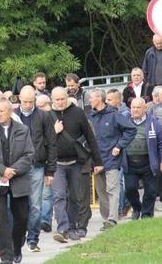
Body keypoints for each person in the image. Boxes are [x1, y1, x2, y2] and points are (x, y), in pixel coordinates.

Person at [0, 99, 34, 264]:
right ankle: (6, 256)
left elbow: (29, 154)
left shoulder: (23, 130)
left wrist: (12, 171)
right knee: (0, 220)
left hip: (18, 180)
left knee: (22, 217)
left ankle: (17, 247)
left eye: (2, 111)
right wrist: (2, 170)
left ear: (10, 111)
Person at [50, 87, 102, 243]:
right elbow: (41, 141)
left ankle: (72, 228)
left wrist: (97, 161)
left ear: (67, 97)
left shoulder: (78, 113)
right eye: (57, 99)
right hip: (57, 164)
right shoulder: (47, 116)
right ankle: (62, 228)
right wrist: (54, 131)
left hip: (76, 162)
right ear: (52, 99)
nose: (60, 102)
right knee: (59, 196)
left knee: (74, 197)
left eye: (62, 99)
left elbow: (90, 137)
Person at [13, 86, 56, 253]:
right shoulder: (13, 116)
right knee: (18, 204)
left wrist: (50, 170)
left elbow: (52, 144)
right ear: (19, 99)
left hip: (37, 165)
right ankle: (19, 236)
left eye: (31, 102)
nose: (28, 105)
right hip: (16, 166)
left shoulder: (44, 116)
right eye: (25, 102)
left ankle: (32, 239)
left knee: (36, 205)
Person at [86, 89, 136, 229]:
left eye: (92, 98)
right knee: (101, 192)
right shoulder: (90, 117)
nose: (90, 101)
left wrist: (119, 146)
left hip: (112, 158)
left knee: (112, 189)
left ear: (99, 99)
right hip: (96, 160)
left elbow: (130, 130)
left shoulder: (114, 114)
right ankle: (107, 219)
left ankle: (112, 219)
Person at [123, 98, 162, 219]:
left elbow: (161, 142)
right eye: (133, 107)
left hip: (148, 162)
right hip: (130, 162)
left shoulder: (153, 122)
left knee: (151, 190)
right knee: (129, 189)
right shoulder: (124, 121)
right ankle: (136, 208)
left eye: (138, 107)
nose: (135, 110)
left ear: (145, 109)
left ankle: (147, 214)